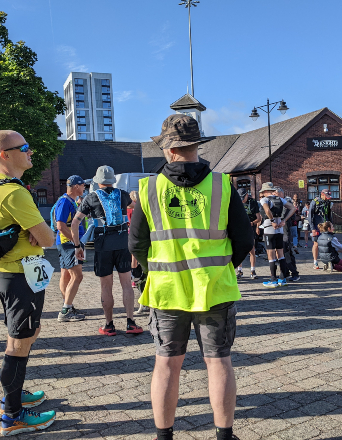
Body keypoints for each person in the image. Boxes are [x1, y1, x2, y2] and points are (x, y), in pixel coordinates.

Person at [129, 114, 253, 440]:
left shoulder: (149, 187)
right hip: (215, 289)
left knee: (167, 364)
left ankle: (163, 435)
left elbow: (137, 244)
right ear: (197, 145)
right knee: (218, 362)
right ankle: (224, 435)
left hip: (167, 290)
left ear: (169, 149)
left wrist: (154, 270)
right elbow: (244, 240)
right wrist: (223, 265)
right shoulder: (222, 184)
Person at [0, 130, 56, 435]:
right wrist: (38, 232)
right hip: (20, 275)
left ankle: (13, 393)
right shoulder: (13, 192)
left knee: (23, 336)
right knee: (19, 344)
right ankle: (13, 416)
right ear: (4, 154)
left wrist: (35, 231)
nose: (31, 152)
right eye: (24, 147)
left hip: (7, 273)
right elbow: (49, 238)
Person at [71, 166, 143, 336]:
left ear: (97, 181)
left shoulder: (91, 197)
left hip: (103, 245)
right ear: (113, 181)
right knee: (126, 284)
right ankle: (131, 323)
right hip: (122, 243)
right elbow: (139, 207)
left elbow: (75, 222)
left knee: (106, 286)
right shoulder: (123, 195)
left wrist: (77, 246)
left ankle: (109, 325)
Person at [54, 175, 86, 322]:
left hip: (66, 243)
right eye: (83, 185)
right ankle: (66, 310)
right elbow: (60, 225)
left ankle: (67, 305)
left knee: (66, 275)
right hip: (68, 243)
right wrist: (76, 242)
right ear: (75, 187)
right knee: (77, 276)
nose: (84, 187)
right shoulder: (64, 201)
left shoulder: (70, 201)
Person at [258, 182, 295, 288]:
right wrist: (284, 220)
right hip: (280, 229)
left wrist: (272, 220)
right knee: (280, 254)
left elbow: (267, 210)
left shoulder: (264, 199)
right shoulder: (280, 199)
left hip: (270, 228)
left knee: (271, 254)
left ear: (265, 191)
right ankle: (282, 278)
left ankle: (273, 279)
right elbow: (292, 208)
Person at [236, 188, 261, 279]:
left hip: (250, 227)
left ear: (247, 195)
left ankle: (253, 271)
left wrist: (253, 223)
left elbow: (259, 218)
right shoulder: (236, 202)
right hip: (240, 228)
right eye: (240, 198)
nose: (242, 200)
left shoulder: (253, 202)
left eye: (243, 197)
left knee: (252, 249)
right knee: (239, 250)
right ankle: (239, 270)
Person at [309, 189, 334, 270]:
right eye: (327, 196)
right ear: (322, 194)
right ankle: (315, 261)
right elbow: (310, 216)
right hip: (317, 226)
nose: (328, 198)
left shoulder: (328, 202)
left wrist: (331, 224)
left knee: (329, 243)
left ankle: (329, 260)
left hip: (326, 226)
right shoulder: (315, 202)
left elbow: (329, 214)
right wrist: (313, 228)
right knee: (316, 243)